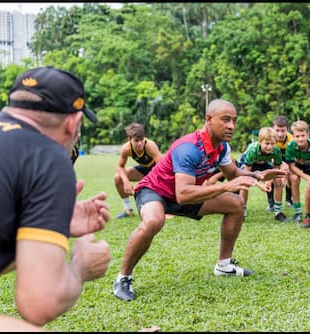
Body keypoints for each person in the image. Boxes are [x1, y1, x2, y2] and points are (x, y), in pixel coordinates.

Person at [112, 99, 286, 301]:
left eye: (234, 121)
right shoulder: (189, 147)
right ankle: (123, 278)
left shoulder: (222, 147)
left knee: (236, 205)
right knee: (153, 221)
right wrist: (224, 186)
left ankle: (224, 265)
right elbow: (184, 194)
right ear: (209, 119)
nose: (232, 126)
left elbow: (232, 173)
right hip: (155, 190)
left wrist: (258, 175)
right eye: (226, 120)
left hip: (184, 192)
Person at [0, 66, 111, 330]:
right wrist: (80, 266)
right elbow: (40, 303)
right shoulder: (47, 156)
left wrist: (47, 227)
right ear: (73, 123)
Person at [113, 123, 163, 219]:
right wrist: (126, 181)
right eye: (136, 140)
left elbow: (162, 168)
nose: (140, 143)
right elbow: (120, 166)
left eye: (142, 139)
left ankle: (170, 206)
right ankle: (128, 210)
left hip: (157, 169)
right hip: (144, 168)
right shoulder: (126, 149)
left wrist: (149, 182)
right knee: (118, 178)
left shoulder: (150, 146)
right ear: (130, 140)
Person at [239, 127, 287, 222]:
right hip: (249, 165)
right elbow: (246, 174)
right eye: (267, 143)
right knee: (245, 183)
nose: (269, 147)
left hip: (263, 163)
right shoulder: (253, 150)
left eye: (272, 143)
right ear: (260, 142)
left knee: (278, 180)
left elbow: (276, 171)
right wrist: (259, 184)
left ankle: (278, 211)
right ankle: (242, 211)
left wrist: (269, 181)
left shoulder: (276, 151)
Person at [284, 120, 310, 222]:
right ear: (293, 136)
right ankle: (298, 211)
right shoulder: (290, 146)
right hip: (297, 166)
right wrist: (305, 177)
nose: (300, 139)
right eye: (297, 136)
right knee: (294, 178)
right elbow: (292, 167)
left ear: (308, 135)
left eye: (303, 135)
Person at [272, 115, 295, 209]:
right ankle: (271, 202)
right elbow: (269, 156)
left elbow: (293, 158)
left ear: (287, 130)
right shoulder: (270, 138)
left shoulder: (292, 140)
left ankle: (289, 199)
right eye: (277, 130)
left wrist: (286, 169)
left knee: (290, 176)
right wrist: (280, 165)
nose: (280, 134)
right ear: (273, 129)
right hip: (273, 159)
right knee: (272, 175)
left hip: (288, 159)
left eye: (283, 131)